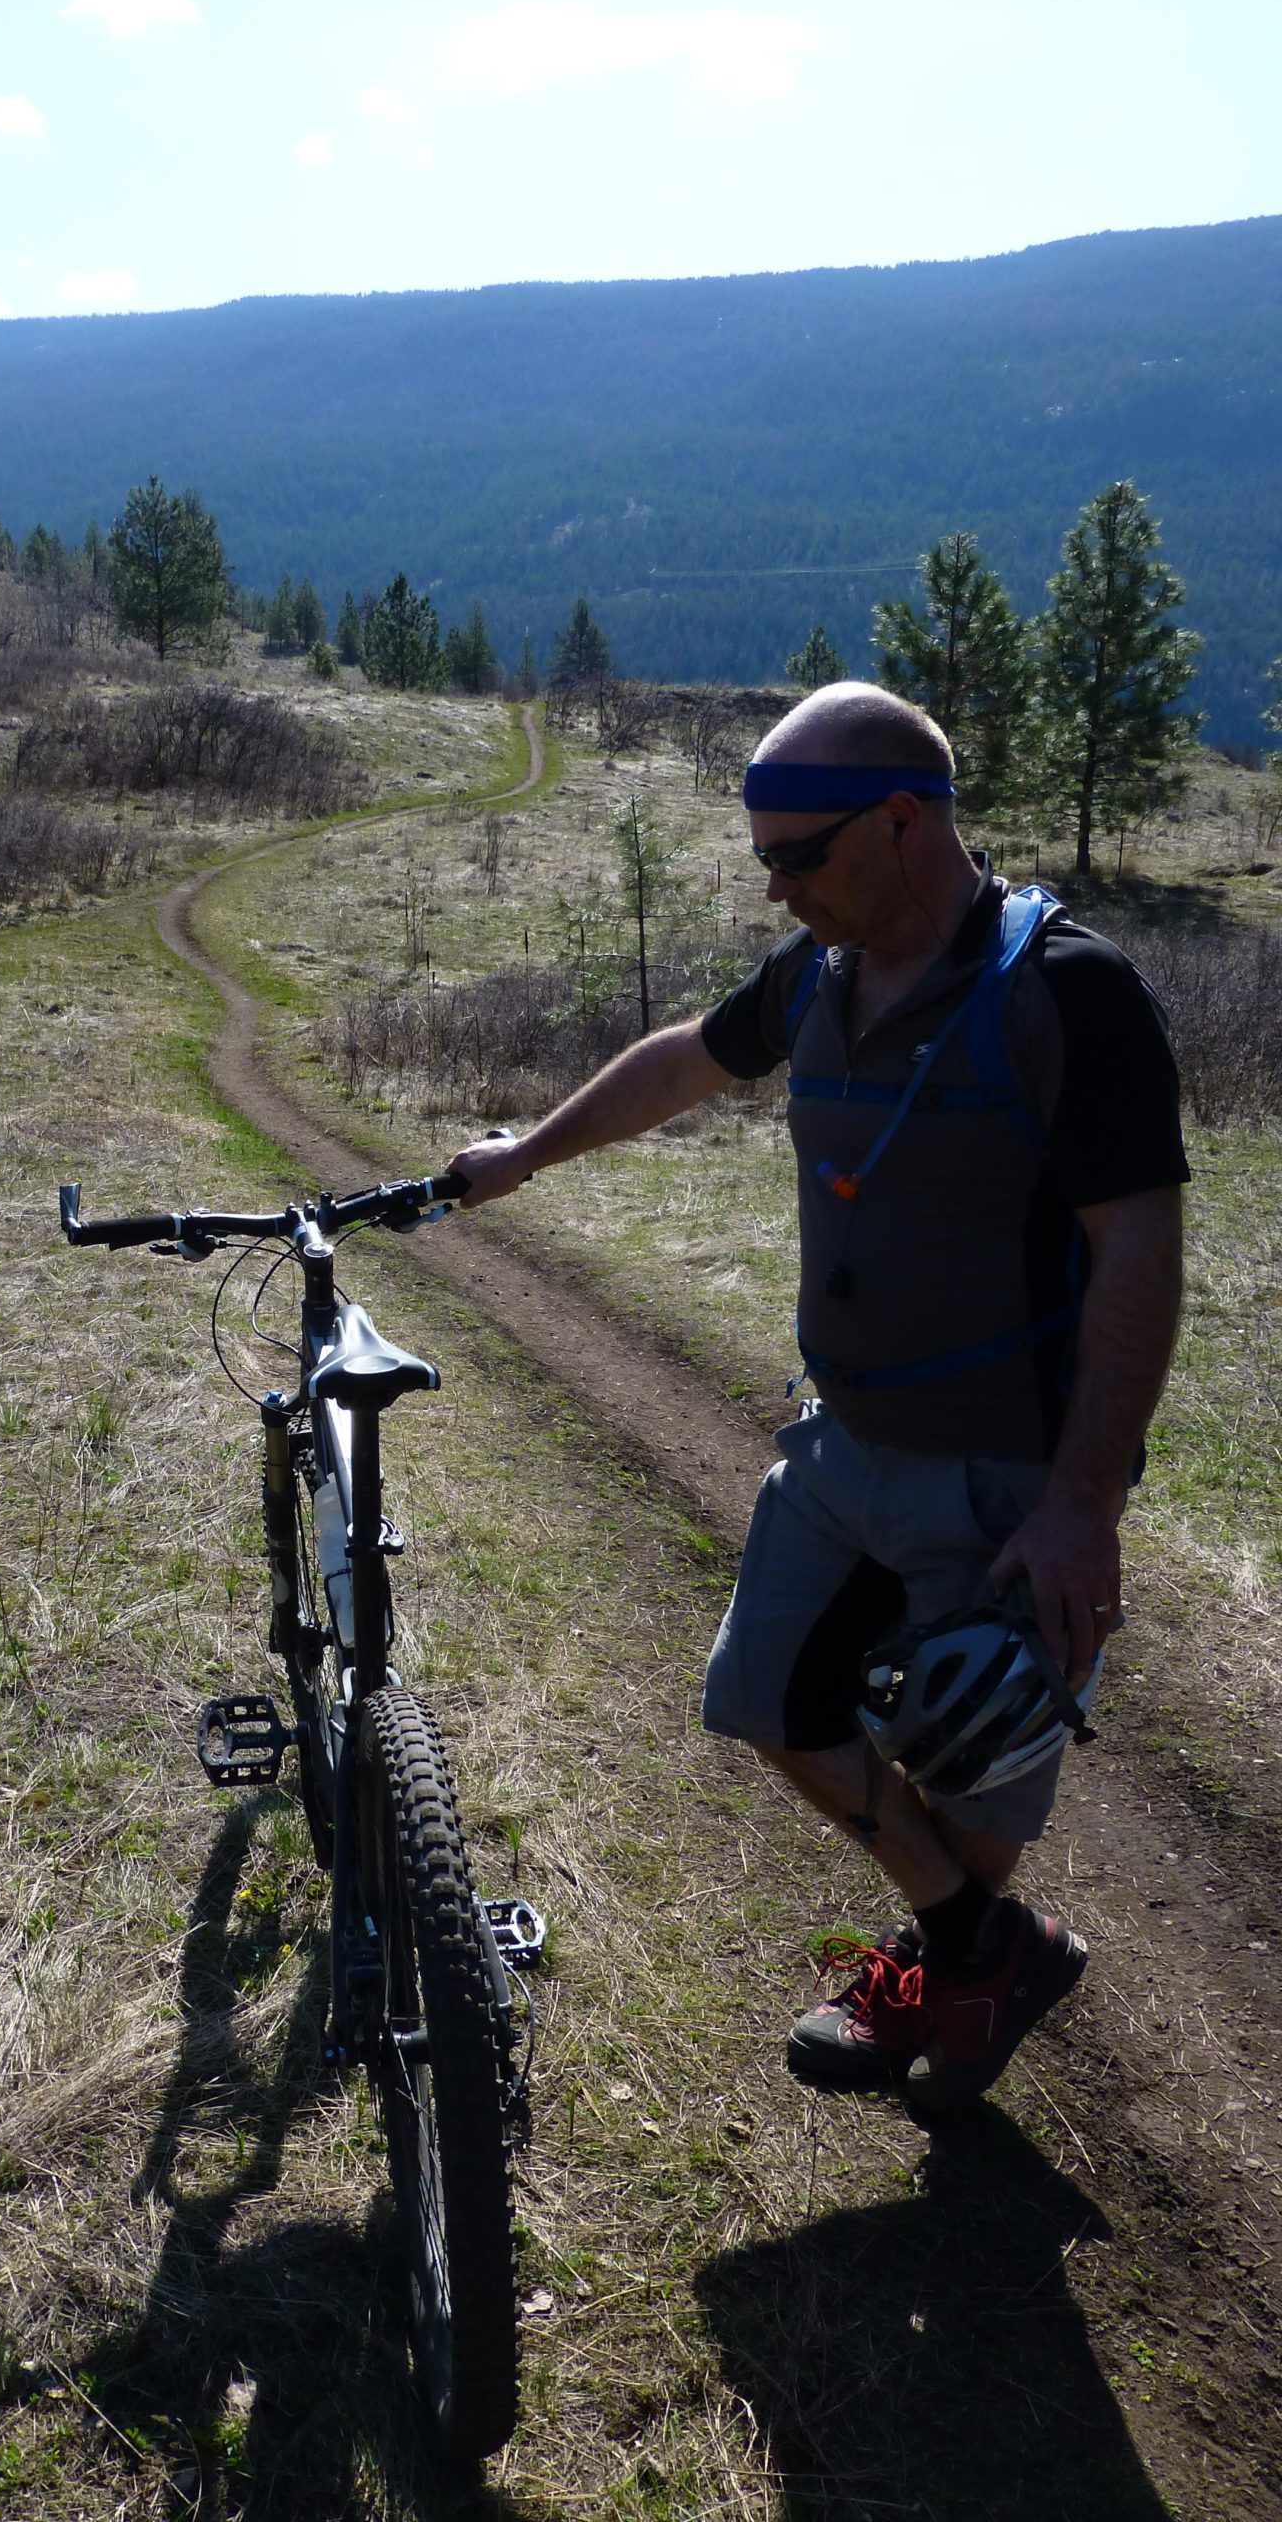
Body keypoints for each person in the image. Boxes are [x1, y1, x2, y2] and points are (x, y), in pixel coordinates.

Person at [448, 682, 1186, 2112]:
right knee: (775, 1699)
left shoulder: (1065, 991)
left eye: (799, 855)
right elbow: (687, 1060)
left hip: (1003, 1483)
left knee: (970, 1778)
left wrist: (1085, 1499)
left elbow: (1138, 1250)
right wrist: (529, 1153)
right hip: (841, 1448)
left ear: (902, 822)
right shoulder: (818, 979)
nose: (776, 885)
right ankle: (983, 1950)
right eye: (763, 859)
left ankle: (952, 1973)